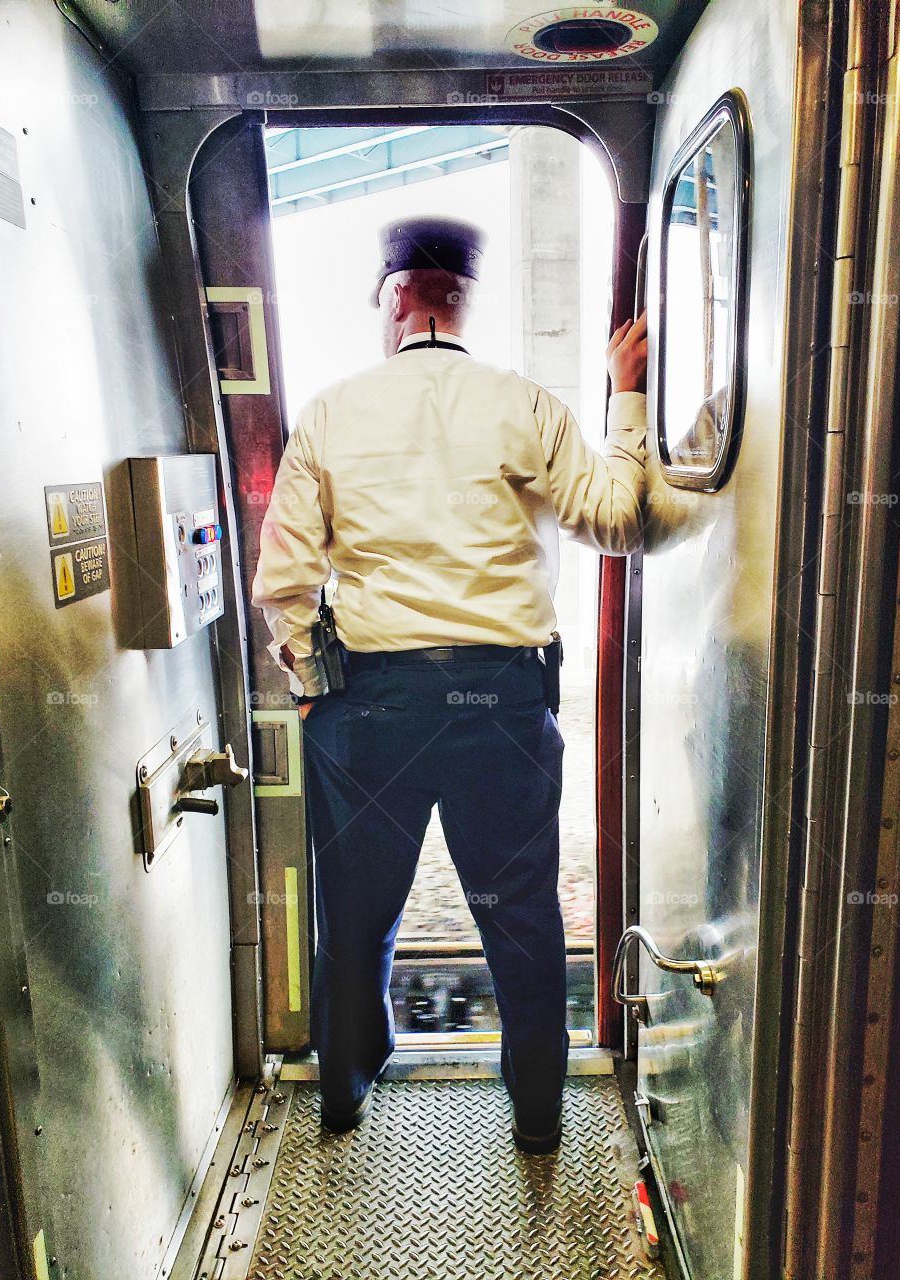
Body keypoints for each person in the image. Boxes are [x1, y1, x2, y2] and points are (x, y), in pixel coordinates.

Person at [251, 215, 647, 1153]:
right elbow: (618, 521)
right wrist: (625, 400)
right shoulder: (527, 405)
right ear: (463, 298)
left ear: (394, 298)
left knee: (357, 911)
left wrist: (314, 681)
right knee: (519, 914)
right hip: (502, 703)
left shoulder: (332, 413)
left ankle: (346, 1092)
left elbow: (287, 580)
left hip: (372, 705)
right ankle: (541, 1113)